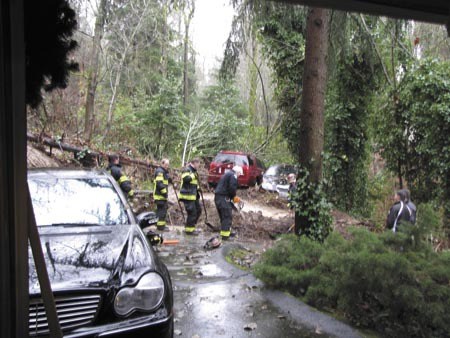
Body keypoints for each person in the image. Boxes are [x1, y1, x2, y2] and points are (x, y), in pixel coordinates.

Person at [214, 165, 243, 240]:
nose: (239, 176)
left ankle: (226, 232)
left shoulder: (226, 174)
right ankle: (225, 236)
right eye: (240, 174)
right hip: (224, 198)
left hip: (218, 198)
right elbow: (232, 189)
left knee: (223, 217)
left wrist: (234, 199)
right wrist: (235, 198)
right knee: (227, 217)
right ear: (238, 172)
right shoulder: (233, 176)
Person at [178, 158, 202, 235]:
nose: (199, 165)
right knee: (192, 212)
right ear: (194, 163)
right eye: (198, 164)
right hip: (187, 196)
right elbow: (186, 179)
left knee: (198, 210)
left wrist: (198, 188)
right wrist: (193, 175)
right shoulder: (187, 170)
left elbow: (193, 183)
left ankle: (191, 226)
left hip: (193, 195)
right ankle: (189, 230)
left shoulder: (194, 171)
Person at [153, 158, 172, 232]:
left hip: (161, 195)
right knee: (162, 211)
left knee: (162, 210)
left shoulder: (164, 172)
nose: (167, 166)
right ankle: (160, 227)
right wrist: (165, 193)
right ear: (162, 164)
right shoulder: (160, 171)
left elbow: (165, 181)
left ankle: (161, 225)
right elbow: (159, 183)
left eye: (168, 165)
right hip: (159, 195)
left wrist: (169, 179)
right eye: (166, 164)